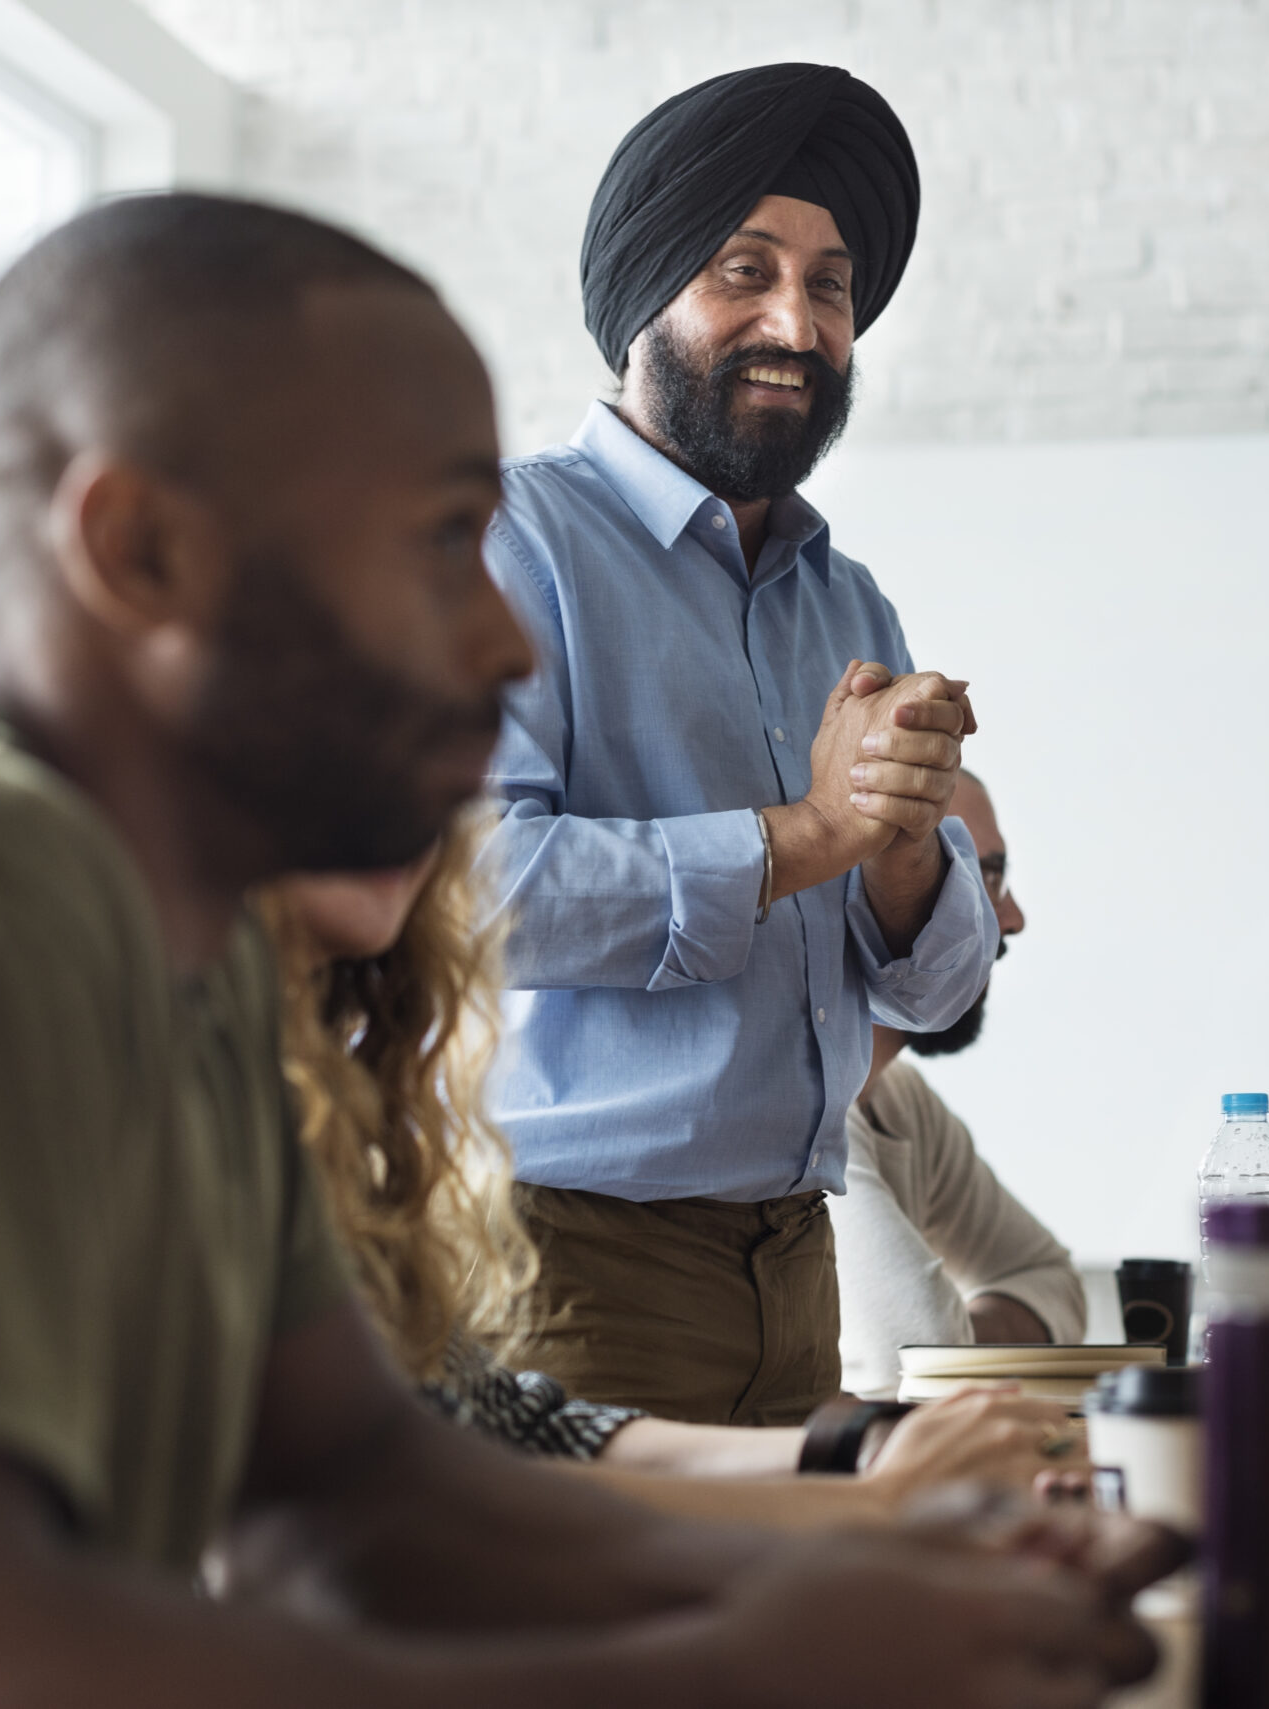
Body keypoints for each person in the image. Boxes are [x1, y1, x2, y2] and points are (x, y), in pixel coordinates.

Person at [0, 194, 1178, 1709]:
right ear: (139, 553)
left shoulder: (186, 950)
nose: (511, 643)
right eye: (446, 541)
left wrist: (906, 1557)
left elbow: (357, 1499)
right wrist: (747, 1654)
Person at [482, 63, 999, 1428]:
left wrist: (895, 850)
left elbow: (938, 994)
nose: (797, 321)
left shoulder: (852, 599)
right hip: (570, 1258)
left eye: (830, 286)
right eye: (744, 269)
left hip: (798, 1258)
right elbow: (470, 889)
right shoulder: (512, 542)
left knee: (778, 1644)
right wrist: (815, 831)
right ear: (643, 294)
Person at [266, 832, 1087, 1531]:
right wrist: (873, 1493)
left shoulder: (323, 1164)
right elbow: (409, 1511)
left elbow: (515, 1427)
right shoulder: (218, 1150)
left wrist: (859, 1456)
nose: (998, 916)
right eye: (979, 872)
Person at [836, 770, 1088, 1400]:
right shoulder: (810, 1112)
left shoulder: (900, 1103)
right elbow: (914, 1362)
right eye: (984, 876)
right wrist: (956, 1352)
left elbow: (1052, 1281)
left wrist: (961, 1348)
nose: (1013, 918)